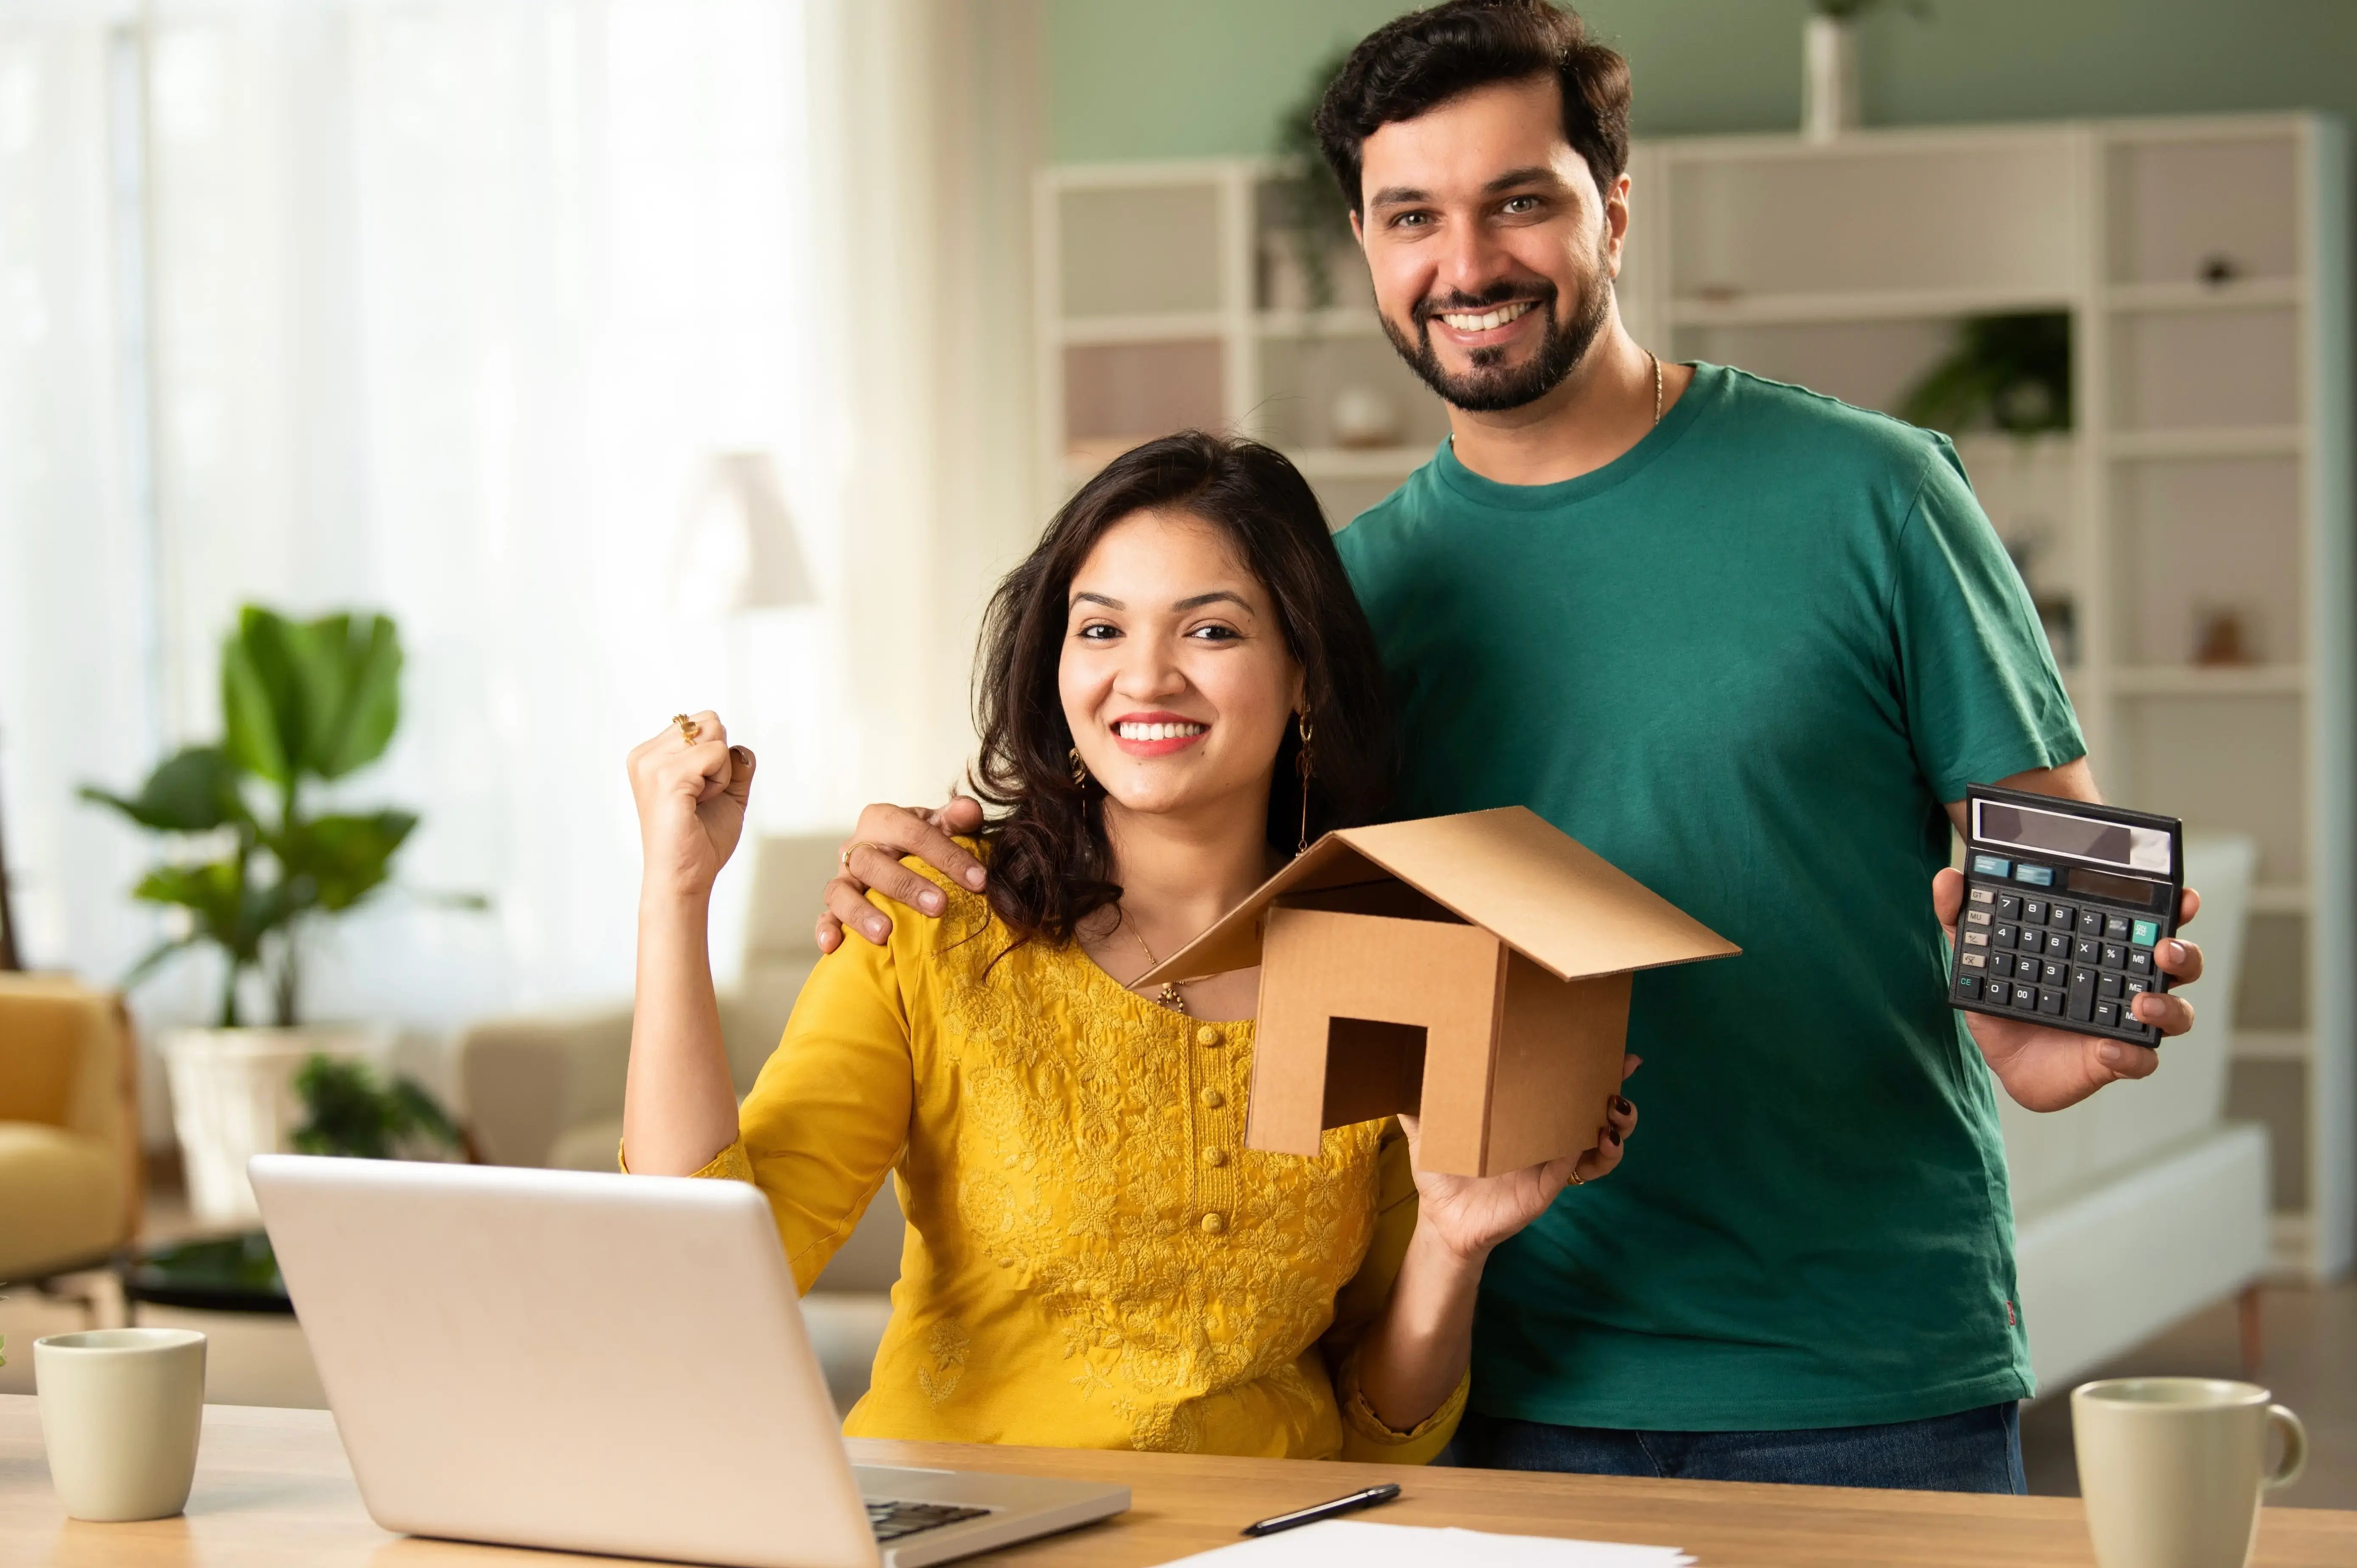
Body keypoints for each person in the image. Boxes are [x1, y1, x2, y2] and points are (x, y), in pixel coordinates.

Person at [816, 0, 2207, 1493]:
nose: (1467, 264)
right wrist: (932, 859)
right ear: (1366, 243)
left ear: (1616, 209)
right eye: (1413, 216)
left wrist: (2060, 1015)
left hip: (1863, 1366)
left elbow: (2050, 842)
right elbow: (1180, 861)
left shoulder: (1875, 495)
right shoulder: (1345, 603)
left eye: (1520, 203)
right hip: (1501, 1383)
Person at [620, 430, 1634, 1462]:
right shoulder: (931, 918)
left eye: (1211, 630)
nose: (1144, 677)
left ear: (1303, 675)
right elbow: (700, 1285)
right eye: (1100, 629)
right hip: (971, 1525)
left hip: (1272, 1531)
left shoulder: (1383, 959)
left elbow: (1383, 1435)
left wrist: (1452, 1245)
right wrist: (676, 892)